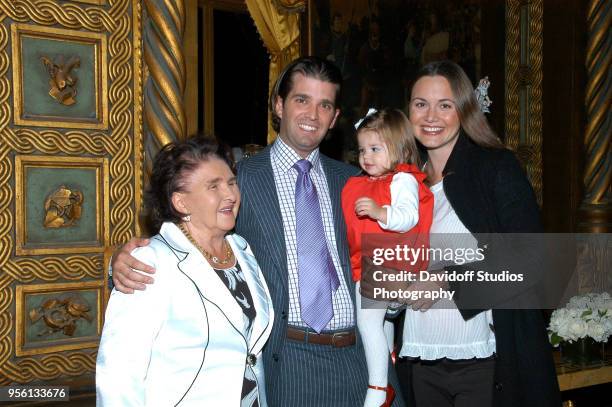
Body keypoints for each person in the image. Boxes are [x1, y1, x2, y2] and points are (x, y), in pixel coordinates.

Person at [109, 57, 405, 407]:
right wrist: (123, 263)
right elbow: (185, 242)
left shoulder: (356, 182)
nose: (313, 114)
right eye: (301, 100)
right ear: (278, 105)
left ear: (335, 118)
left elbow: (387, 255)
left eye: (324, 104)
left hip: (363, 361)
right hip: (288, 363)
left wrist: (397, 292)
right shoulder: (239, 181)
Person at [362, 60, 561, 407]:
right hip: (418, 358)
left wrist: (445, 282)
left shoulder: (495, 168)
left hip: (487, 362)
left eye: (445, 105)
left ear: (465, 110)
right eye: (421, 104)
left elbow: (532, 258)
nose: (430, 116)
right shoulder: (400, 184)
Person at [96, 136, 274, 406]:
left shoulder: (242, 250)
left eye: (231, 183)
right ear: (181, 203)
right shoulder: (150, 262)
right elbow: (119, 372)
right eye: (213, 186)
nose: (230, 194)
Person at [342, 108, 433, 407]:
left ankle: (379, 387)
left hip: (390, 263)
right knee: (379, 321)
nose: (366, 156)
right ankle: (390, 354)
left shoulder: (402, 181)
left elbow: (408, 217)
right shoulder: (367, 181)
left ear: (400, 149)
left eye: (375, 149)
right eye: (362, 149)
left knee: (367, 322)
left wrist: (381, 213)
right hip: (378, 261)